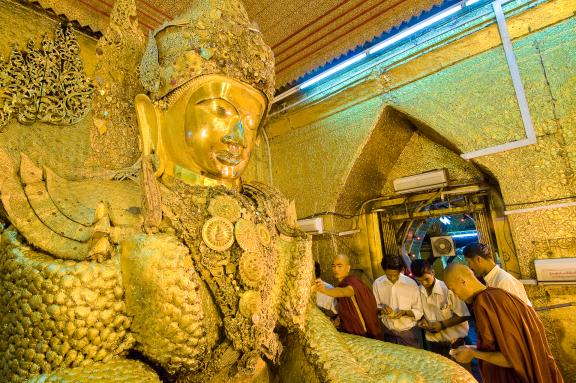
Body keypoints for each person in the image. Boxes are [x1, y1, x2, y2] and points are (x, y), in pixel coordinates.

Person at [445, 263, 564, 383]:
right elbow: (507, 347)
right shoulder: (498, 295)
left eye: (453, 290)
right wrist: (473, 349)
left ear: (463, 281)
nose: (456, 296)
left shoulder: (485, 303)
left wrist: (474, 353)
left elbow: (513, 358)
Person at [411, 259, 471, 358]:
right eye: (419, 280)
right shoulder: (417, 291)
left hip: (456, 344)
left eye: (426, 279)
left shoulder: (448, 289)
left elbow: (464, 315)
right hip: (434, 344)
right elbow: (420, 313)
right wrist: (422, 321)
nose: (424, 283)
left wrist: (442, 325)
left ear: (433, 272)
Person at [315, 254, 381, 339]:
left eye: (339, 266)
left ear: (348, 267)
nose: (336, 269)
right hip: (349, 330)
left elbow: (343, 292)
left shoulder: (352, 282)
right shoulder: (342, 284)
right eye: (333, 266)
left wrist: (324, 290)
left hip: (362, 332)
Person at [372, 255, 423, 348]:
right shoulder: (377, 283)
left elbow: (419, 310)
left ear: (400, 271)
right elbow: (375, 306)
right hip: (388, 332)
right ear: (384, 270)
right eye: (388, 275)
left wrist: (405, 312)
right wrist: (381, 309)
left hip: (409, 332)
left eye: (395, 275)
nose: (392, 278)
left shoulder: (411, 284)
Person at [463, 243, 531, 306]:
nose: (470, 267)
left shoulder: (503, 281)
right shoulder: (491, 279)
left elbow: (513, 313)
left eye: (469, 262)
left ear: (478, 259)